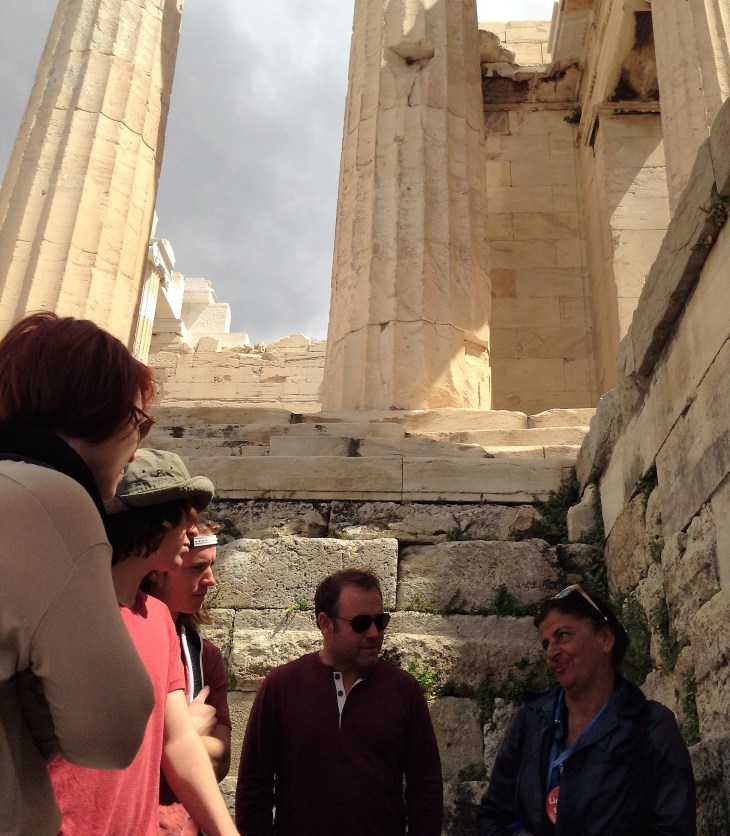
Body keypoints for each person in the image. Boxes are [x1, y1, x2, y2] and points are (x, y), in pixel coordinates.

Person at [0, 312, 155, 835]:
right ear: (101, 412)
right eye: (140, 422)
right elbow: (110, 734)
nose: (138, 448)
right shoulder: (51, 501)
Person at [49, 449, 238, 836]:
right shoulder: (57, 609)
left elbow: (178, 742)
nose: (192, 534)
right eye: (184, 520)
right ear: (156, 521)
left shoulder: (158, 620)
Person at [235, 567, 443, 836]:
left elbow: (425, 786)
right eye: (360, 623)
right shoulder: (282, 687)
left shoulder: (403, 691)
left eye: (380, 622)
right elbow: (254, 787)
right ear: (325, 623)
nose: (373, 633)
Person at [476, 583, 697, 836]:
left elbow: (673, 828)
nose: (551, 653)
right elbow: (492, 814)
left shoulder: (651, 726)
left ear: (605, 639)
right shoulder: (531, 720)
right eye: (546, 644)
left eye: (563, 636)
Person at [144, 521, 232, 834]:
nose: (210, 580)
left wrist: (175, 741)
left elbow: (221, 762)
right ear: (160, 568)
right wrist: (188, 732)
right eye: (197, 568)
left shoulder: (203, 656)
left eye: (212, 566)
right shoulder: (127, 642)